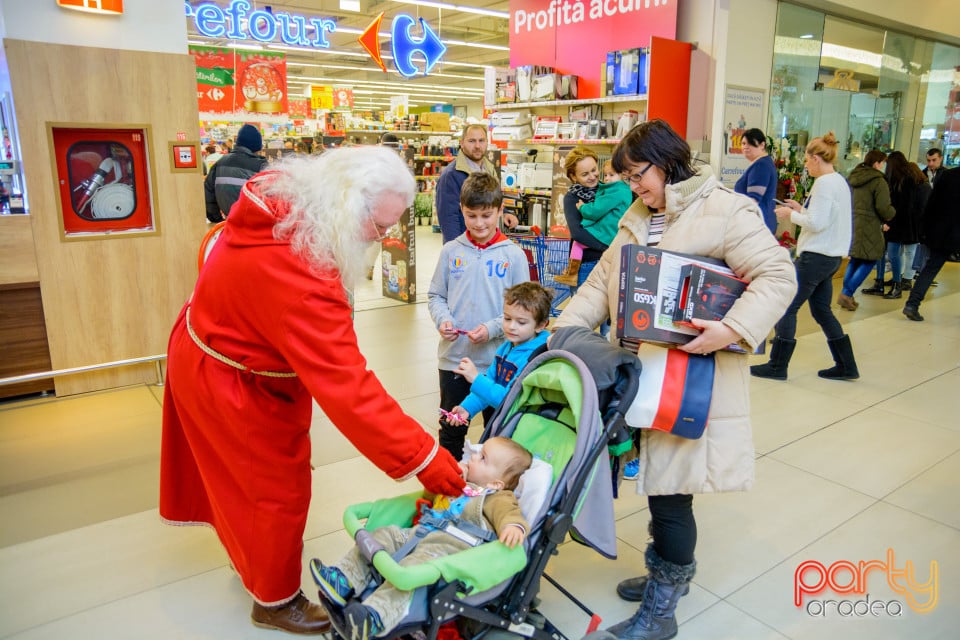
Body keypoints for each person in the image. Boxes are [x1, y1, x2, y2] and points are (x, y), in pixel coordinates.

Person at [160, 147, 466, 635]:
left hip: (217, 351)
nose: (383, 237)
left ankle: (253, 565)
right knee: (274, 488)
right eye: (378, 226)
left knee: (246, 481)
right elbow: (349, 387)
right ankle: (274, 601)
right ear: (347, 205)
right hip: (232, 381)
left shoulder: (288, 202)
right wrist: (425, 457)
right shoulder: (302, 270)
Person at [556, 120, 796, 640]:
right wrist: (563, 331)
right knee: (658, 481)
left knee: (671, 491)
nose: (632, 185)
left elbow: (778, 275)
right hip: (639, 375)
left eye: (637, 174)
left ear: (668, 162)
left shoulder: (728, 210)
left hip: (687, 377)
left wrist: (731, 328)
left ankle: (662, 609)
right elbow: (602, 283)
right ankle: (665, 576)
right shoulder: (638, 213)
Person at [309, 436, 532, 639]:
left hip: (447, 549)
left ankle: (375, 616)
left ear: (495, 484)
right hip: (421, 533)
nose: (473, 456)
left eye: (482, 458)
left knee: (410, 570)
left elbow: (510, 515)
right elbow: (429, 496)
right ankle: (344, 579)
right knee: (382, 535)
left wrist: (513, 527)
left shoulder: (498, 498)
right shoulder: (460, 483)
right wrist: (449, 480)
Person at [428, 172, 530, 459]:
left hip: (499, 363)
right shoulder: (451, 252)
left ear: (500, 211)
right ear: (462, 210)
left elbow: (524, 311)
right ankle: (448, 488)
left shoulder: (513, 256)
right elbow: (436, 295)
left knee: (498, 433)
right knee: (451, 427)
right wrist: (442, 319)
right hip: (454, 361)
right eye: (472, 215)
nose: (479, 223)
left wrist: (492, 328)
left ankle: (492, 493)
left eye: (486, 215)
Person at [752, 132, 859, 382]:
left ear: (816, 158)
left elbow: (817, 223)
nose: (805, 165)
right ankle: (846, 365)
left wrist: (792, 215)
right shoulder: (839, 182)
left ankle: (778, 366)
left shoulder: (823, 184)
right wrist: (801, 209)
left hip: (815, 256)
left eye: (807, 161)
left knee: (786, 306)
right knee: (822, 310)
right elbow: (827, 218)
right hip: (831, 257)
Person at [448, 282, 553, 424]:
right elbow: (491, 383)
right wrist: (467, 408)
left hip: (522, 428)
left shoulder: (534, 358)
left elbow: (510, 401)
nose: (511, 327)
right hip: (505, 424)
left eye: (521, 322)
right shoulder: (505, 348)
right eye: (507, 318)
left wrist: (476, 378)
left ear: (541, 325)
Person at [555, 159, 632, 286]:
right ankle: (571, 273)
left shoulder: (609, 190)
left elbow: (597, 210)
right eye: (585, 174)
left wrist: (583, 208)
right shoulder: (572, 197)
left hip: (609, 257)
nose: (592, 177)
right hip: (590, 262)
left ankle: (571, 273)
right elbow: (577, 233)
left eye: (594, 170)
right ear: (574, 177)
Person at [838, 149, 896, 310]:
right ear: (877, 163)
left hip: (852, 222)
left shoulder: (852, 177)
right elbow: (883, 207)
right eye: (883, 162)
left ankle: (846, 294)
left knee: (855, 258)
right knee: (870, 259)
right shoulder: (879, 181)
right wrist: (892, 213)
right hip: (870, 224)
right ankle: (846, 293)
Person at [903, 167, 960, 321]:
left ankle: (912, 304)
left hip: (941, 231)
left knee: (930, 268)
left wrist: (925, 228)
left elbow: (932, 203)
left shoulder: (948, 175)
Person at [879, 152, 931, 299]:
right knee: (897, 253)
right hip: (901, 223)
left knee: (897, 253)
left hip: (899, 223)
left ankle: (899, 283)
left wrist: (889, 220)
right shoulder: (906, 180)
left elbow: (902, 205)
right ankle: (899, 282)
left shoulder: (902, 182)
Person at [435, 124, 497, 243]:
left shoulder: (489, 169)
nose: (477, 146)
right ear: (462, 143)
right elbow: (448, 218)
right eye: (472, 141)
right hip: (466, 245)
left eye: (481, 141)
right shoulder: (451, 175)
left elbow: (492, 201)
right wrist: (456, 249)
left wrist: (506, 213)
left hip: (487, 243)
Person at [204, 124, 268, 223]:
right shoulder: (261, 166)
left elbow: (208, 192)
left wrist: (217, 219)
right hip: (254, 226)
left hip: (229, 223)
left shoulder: (220, 162)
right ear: (257, 147)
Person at [734, 128, 779, 234]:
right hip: (763, 223)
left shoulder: (761, 165)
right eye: (743, 143)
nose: (745, 146)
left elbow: (752, 200)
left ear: (762, 145)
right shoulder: (764, 163)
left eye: (750, 143)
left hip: (757, 225)